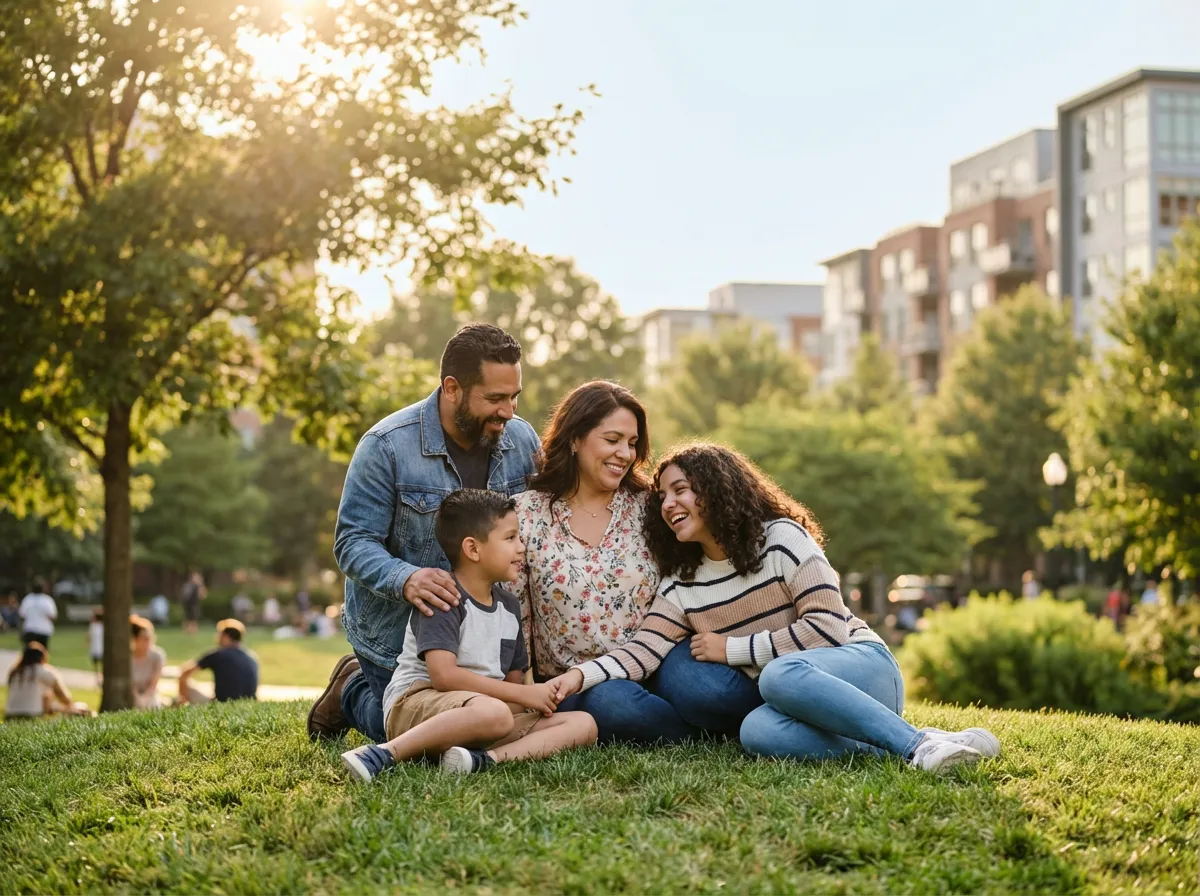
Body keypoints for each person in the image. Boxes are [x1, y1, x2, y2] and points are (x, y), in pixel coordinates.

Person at [550, 444, 1000, 773]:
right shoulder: (682, 583)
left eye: (681, 490)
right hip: (802, 705)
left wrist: (731, 649)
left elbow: (826, 630)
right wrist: (576, 677)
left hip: (861, 671)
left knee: (779, 674)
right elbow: (640, 652)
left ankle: (915, 745)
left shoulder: (781, 539)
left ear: (716, 488)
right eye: (662, 497)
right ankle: (923, 744)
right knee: (756, 732)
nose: (668, 504)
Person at [308, 325, 541, 742]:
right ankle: (353, 687)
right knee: (420, 736)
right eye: (495, 399)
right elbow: (352, 542)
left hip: (484, 640)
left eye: (514, 397)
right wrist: (407, 578)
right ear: (452, 388)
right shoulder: (386, 446)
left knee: (487, 728)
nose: (509, 411)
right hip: (397, 641)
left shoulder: (522, 440)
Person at [340, 490, 596, 781]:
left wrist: (533, 700)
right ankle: (384, 753)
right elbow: (444, 677)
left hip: (484, 717)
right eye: (511, 538)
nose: (521, 547)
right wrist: (525, 694)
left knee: (582, 724)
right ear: (473, 549)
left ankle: (483, 760)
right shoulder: (445, 597)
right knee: (494, 714)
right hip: (417, 703)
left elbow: (511, 690)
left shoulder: (510, 608)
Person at [508, 380, 695, 744]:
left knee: (704, 687)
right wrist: (522, 697)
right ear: (575, 439)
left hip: (659, 663)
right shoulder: (526, 513)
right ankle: (696, 733)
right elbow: (517, 615)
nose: (625, 453)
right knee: (616, 702)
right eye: (612, 440)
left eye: (632, 443)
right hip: (576, 683)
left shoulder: (650, 509)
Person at [177, 619, 259, 705]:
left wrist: (183, 699)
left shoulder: (218, 654)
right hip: (248, 705)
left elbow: (184, 672)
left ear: (226, 636)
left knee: (185, 681)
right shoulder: (252, 656)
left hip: (222, 705)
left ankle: (181, 705)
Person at [4, 642, 90, 720]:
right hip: (32, 715)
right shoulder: (44, 671)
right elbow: (65, 698)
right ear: (42, 658)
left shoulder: (15, 672)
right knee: (49, 694)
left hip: (9, 715)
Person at [130, 615, 167, 709]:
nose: (148, 641)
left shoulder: (157, 655)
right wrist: (137, 698)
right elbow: (130, 684)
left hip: (150, 694)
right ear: (135, 639)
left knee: (153, 705)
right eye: (144, 638)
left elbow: (153, 684)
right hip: (131, 694)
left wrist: (144, 698)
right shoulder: (128, 657)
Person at [18, 578, 58, 650]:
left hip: (29, 630)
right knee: (42, 654)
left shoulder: (27, 599)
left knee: (30, 654)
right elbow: (53, 616)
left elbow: (22, 615)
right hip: (44, 631)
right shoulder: (47, 600)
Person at [88, 607, 105, 684]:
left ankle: (97, 678)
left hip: (95, 649)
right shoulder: (103, 626)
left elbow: (89, 637)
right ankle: (100, 678)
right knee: (102, 665)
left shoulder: (93, 626)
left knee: (96, 665)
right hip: (101, 649)